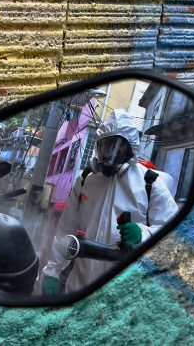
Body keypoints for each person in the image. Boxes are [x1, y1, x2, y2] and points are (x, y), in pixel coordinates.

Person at [40, 109, 178, 295]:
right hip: (80, 287)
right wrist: (52, 271)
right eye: (107, 145)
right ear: (99, 146)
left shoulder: (150, 182)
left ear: (131, 149)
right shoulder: (85, 180)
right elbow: (66, 230)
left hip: (123, 296)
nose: (112, 153)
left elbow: (174, 236)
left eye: (119, 146)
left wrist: (144, 234)